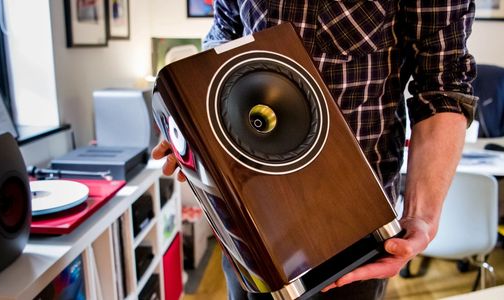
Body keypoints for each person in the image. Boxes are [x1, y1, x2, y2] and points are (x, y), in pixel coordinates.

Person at [152, 0, 478, 299]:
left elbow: (442, 88)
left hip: (352, 237)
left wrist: (421, 217)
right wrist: (195, 132)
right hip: (249, 225)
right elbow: (224, 35)